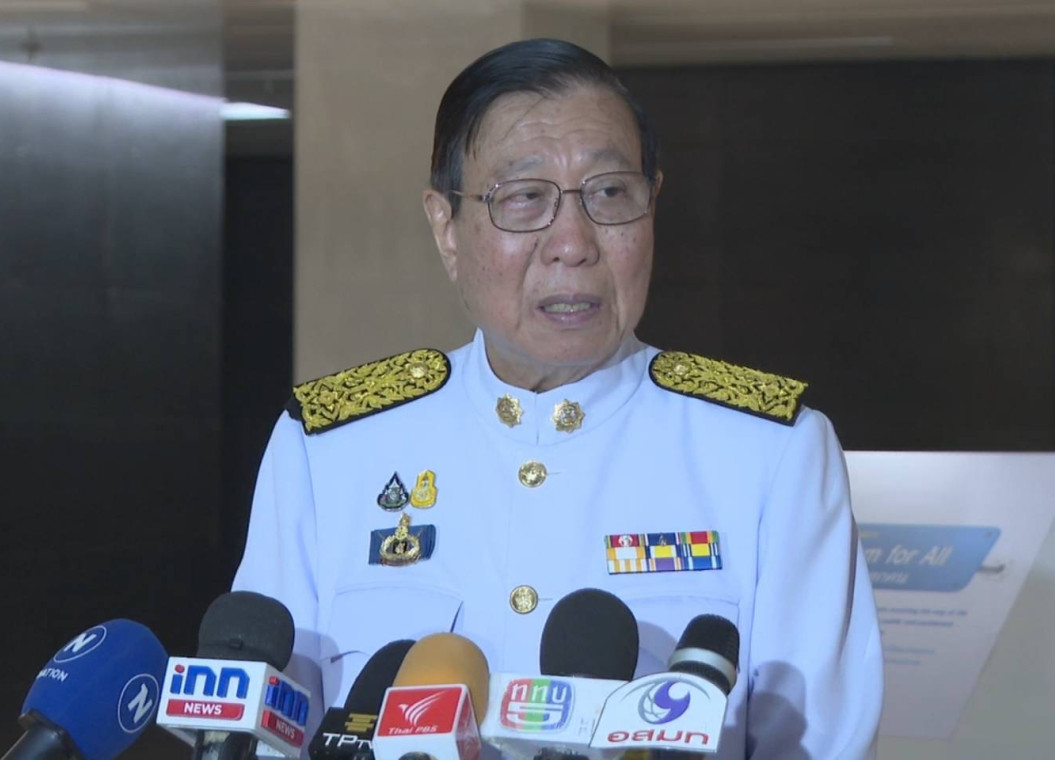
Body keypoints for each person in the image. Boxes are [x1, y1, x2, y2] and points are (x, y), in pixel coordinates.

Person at [233, 38, 882, 759]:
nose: (573, 243)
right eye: (524, 198)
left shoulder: (769, 453)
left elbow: (821, 744)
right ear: (446, 228)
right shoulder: (330, 451)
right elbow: (268, 734)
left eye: (610, 195)